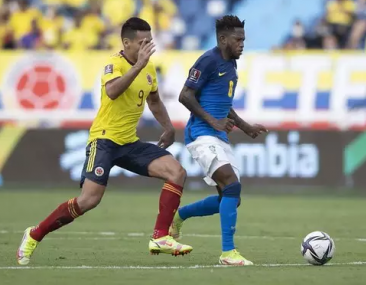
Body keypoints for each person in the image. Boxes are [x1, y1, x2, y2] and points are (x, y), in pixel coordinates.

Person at [17, 17, 192, 266]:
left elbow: (154, 100)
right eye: (142, 43)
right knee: (89, 200)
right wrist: (138, 65)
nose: (147, 48)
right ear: (126, 42)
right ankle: (35, 234)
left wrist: (168, 127)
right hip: (104, 140)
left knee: (177, 172)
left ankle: (160, 237)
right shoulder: (114, 64)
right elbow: (113, 91)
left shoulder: (149, 67)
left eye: (150, 42)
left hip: (129, 142)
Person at [170, 15, 267, 266]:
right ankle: (228, 253)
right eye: (238, 39)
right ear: (223, 39)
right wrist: (213, 121)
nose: (242, 44)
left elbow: (224, 104)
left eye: (243, 39)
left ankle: (179, 216)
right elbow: (185, 95)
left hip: (218, 135)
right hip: (201, 134)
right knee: (231, 185)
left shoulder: (232, 65)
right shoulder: (208, 60)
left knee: (230, 198)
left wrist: (244, 126)